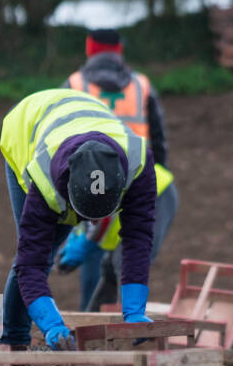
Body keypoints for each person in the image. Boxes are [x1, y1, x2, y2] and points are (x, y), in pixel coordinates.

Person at [0, 89, 157, 349]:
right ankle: (12, 343)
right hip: (24, 127)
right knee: (41, 252)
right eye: (85, 216)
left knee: (46, 251)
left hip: (81, 118)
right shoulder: (42, 179)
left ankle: (16, 331)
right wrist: (51, 325)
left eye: (101, 216)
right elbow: (30, 265)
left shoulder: (138, 162)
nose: (93, 224)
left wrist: (134, 311)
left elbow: (138, 237)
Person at [54, 28, 178, 311]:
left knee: (93, 247)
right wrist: (155, 183)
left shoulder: (73, 84)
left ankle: (90, 322)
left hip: (88, 177)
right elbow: (158, 141)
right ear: (119, 50)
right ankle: (127, 315)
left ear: (90, 49)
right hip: (138, 176)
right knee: (133, 246)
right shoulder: (141, 84)